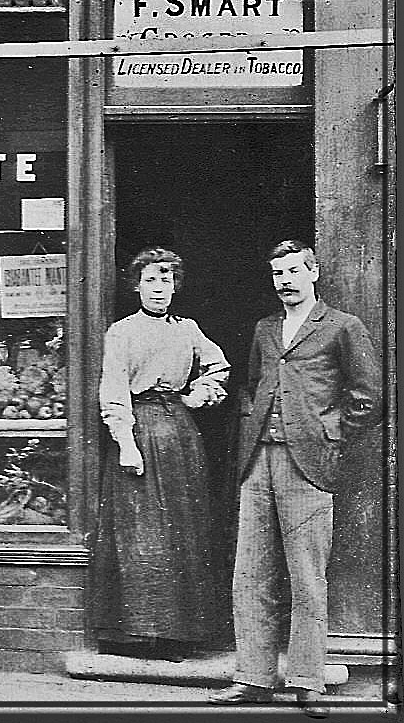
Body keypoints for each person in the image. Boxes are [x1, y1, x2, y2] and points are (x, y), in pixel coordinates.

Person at [209, 240, 380, 718]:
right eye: (277, 274)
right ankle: (253, 678)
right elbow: (253, 385)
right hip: (257, 461)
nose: (285, 281)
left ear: (313, 272)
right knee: (250, 574)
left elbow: (369, 397)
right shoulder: (265, 329)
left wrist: (330, 432)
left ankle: (307, 681)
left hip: (307, 464)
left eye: (293, 271)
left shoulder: (343, 326)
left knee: (307, 577)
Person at [91, 247, 230, 662]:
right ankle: (135, 634)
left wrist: (198, 394)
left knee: (181, 530)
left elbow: (218, 366)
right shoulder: (122, 332)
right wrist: (126, 443)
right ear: (136, 286)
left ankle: (176, 635)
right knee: (140, 533)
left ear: (175, 287)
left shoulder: (188, 330)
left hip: (180, 435)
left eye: (166, 280)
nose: (158, 288)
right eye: (150, 280)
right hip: (140, 428)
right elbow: (114, 389)